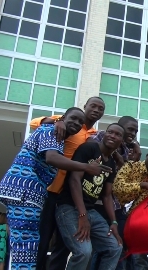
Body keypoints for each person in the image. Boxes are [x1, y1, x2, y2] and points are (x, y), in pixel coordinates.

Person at [0, 107, 108, 270]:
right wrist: (86, 167)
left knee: (29, 241)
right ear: (62, 118)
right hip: (24, 190)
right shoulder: (51, 131)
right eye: (73, 118)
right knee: (25, 242)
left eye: (80, 122)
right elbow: (51, 158)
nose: (76, 123)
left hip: (32, 194)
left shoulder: (62, 138)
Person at [31, 97, 106, 270]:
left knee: (63, 246)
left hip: (68, 196)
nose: (96, 110)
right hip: (50, 189)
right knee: (42, 240)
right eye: (93, 106)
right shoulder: (67, 122)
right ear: (85, 106)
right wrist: (58, 121)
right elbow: (35, 124)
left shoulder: (94, 135)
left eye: (100, 108)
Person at [55, 123, 126, 270]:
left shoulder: (112, 163)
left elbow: (107, 196)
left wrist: (114, 222)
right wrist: (82, 215)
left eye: (117, 134)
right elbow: (74, 180)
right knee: (83, 252)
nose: (113, 135)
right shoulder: (89, 148)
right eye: (110, 132)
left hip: (91, 212)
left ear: (122, 141)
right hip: (69, 207)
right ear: (104, 134)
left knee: (115, 248)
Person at [87, 116, 139, 270]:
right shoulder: (105, 136)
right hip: (94, 201)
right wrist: (113, 152)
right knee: (93, 248)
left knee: (117, 245)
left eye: (135, 131)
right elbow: (89, 144)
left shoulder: (127, 151)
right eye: (130, 129)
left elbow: (127, 175)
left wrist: (134, 148)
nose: (133, 133)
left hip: (114, 204)